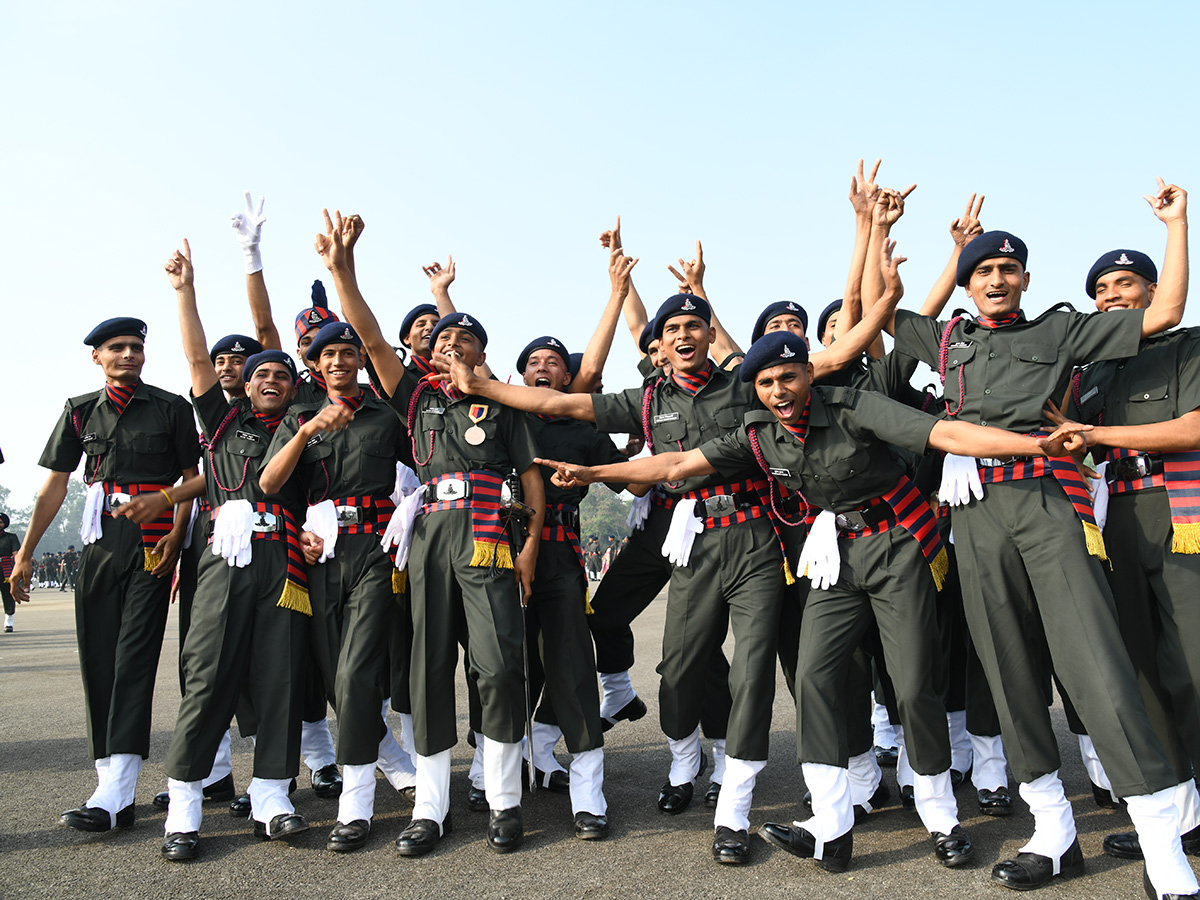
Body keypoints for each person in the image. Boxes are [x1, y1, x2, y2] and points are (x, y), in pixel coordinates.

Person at [535, 312, 1090, 872]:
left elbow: (944, 434)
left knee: (914, 683)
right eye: (766, 383)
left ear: (808, 375)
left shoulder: (853, 407)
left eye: (788, 377)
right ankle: (832, 822)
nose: (779, 391)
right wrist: (593, 474)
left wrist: (1035, 447)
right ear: (755, 390)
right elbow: (677, 461)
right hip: (833, 558)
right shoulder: (758, 435)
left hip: (897, 546)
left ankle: (940, 814)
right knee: (813, 676)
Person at [886, 179, 1200, 900]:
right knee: (1007, 669)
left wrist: (1178, 224)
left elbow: (1167, 312)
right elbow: (881, 313)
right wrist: (879, 229)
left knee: (1097, 662)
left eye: (1008, 269)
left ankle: (1162, 841)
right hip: (975, 508)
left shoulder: (1060, 331)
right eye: (983, 271)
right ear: (968, 283)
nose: (996, 279)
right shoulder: (950, 340)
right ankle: (1053, 831)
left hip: (1048, 500)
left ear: (1026, 279)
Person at [437, 290, 789, 867]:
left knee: (748, 671)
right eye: (671, 329)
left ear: (710, 332)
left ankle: (732, 801)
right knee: (662, 663)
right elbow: (558, 400)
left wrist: (601, 469)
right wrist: (478, 381)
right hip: (657, 534)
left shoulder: (744, 385)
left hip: (744, 533)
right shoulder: (637, 400)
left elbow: (654, 460)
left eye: (694, 325)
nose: (682, 336)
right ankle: (668, 754)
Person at [312, 209, 542, 857]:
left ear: (482, 353)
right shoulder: (414, 399)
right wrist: (342, 269)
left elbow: (531, 480)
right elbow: (369, 336)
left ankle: (503, 800)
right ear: (429, 353)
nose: (452, 346)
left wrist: (528, 546)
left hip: (490, 534)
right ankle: (431, 807)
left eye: (465, 340)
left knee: (500, 666)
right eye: (443, 340)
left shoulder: (503, 404)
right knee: (428, 668)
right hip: (431, 536)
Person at [154, 238, 312, 860]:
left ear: (293, 388)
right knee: (209, 675)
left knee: (281, 678)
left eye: (282, 375)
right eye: (261, 375)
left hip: (285, 562)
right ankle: (186, 804)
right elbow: (198, 358)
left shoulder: (305, 430)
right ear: (244, 385)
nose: (271, 381)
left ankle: (272, 796)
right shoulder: (222, 423)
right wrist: (185, 291)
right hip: (227, 557)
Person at [10, 316, 198, 833]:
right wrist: (25, 552)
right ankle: (111, 785)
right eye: (117, 347)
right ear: (97, 356)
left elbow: (192, 478)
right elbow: (55, 485)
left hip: (151, 541)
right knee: (97, 656)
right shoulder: (79, 411)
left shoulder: (171, 408)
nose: (128, 354)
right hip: (99, 542)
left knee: (133, 658)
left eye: (136, 346)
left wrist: (177, 535)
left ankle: (116, 790)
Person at [1045, 239, 1200, 863]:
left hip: (1178, 513)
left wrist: (1094, 432)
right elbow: (1061, 433)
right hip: (1114, 519)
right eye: (1101, 291)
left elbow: (1192, 428)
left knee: (1192, 665)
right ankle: (1181, 815)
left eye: (1124, 285)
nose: (1111, 297)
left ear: (1153, 292)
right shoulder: (1092, 371)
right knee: (1139, 672)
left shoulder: (1188, 347)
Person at [260, 314, 412, 853]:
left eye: (349, 353)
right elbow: (270, 483)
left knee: (355, 672)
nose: (340, 361)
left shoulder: (387, 414)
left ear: (361, 360)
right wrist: (306, 431)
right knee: (334, 680)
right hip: (320, 557)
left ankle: (356, 803)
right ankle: (394, 764)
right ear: (315, 365)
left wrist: (409, 510)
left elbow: (424, 468)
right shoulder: (299, 417)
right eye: (328, 355)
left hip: (374, 551)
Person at [0, 514, 21, 631]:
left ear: (4, 524)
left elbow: (16, 553)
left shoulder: (11, 537)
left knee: (8, 594)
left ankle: (9, 620)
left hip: (6, 570)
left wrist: (19, 568)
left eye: (0, 522)